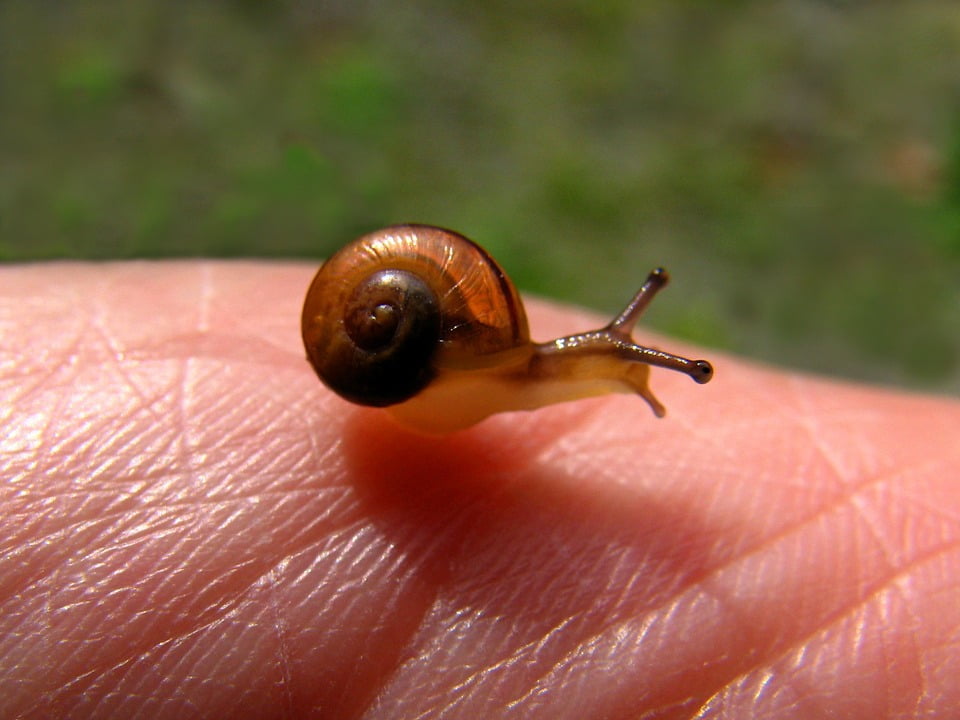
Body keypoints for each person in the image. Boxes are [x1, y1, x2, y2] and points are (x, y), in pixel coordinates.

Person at [2, 261, 958, 719]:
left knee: (568, 360)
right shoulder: (436, 360)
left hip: (436, 374)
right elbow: (523, 364)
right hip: (412, 376)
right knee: (556, 363)